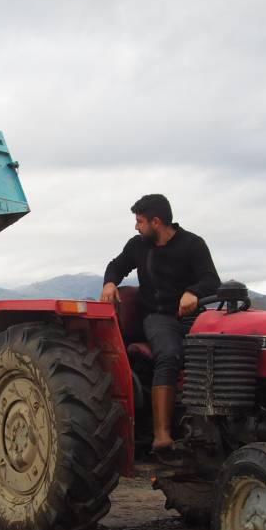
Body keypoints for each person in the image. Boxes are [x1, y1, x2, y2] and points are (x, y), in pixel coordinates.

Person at [101, 194, 220, 456]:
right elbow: (116, 266)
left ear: (156, 222)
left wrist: (193, 292)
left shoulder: (192, 244)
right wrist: (110, 282)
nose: (136, 227)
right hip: (158, 317)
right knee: (168, 354)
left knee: (218, 351)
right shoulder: (137, 246)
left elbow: (212, 280)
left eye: (139, 221)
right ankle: (162, 436)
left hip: (193, 318)